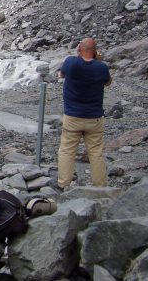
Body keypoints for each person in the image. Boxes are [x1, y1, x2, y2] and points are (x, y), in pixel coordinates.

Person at [57, 37, 112, 189]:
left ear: (79, 49)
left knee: (67, 150)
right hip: (94, 117)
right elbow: (108, 82)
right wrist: (98, 61)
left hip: (72, 115)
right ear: (95, 51)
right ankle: (100, 186)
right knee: (96, 152)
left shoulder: (71, 62)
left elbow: (62, 75)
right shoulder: (101, 67)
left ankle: (64, 184)